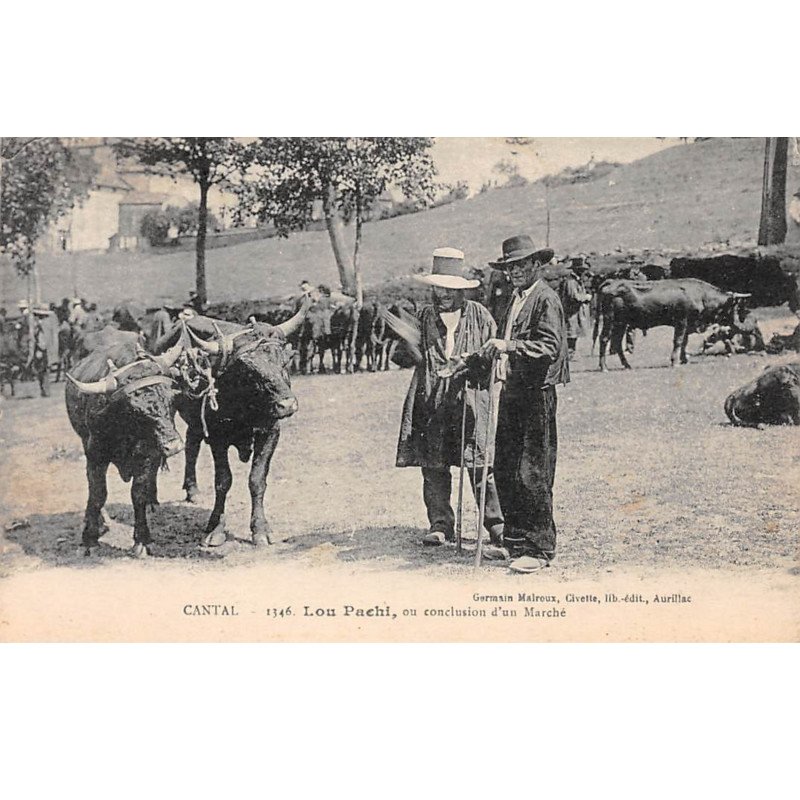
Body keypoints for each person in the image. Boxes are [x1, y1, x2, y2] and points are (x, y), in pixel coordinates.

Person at [396, 247, 504, 548]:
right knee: (434, 465)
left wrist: (472, 365)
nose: (442, 294)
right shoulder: (424, 316)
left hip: (470, 398)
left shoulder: (480, 316)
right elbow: (405, 358)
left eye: (449, 289)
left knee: (479, 463)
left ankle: (496, 525)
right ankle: (440, 524)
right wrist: (405, 342)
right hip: (430, 399)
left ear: (462, 291)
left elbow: (494, 360)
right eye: (438, 288)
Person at [479, 235, 569, 573]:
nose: (514, 271)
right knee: (506, 466)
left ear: (536, 265)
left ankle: (540, 548)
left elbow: (549, 348)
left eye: (520, 265)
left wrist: (508, 346)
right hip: (513, 391)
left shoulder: (546, 299)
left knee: (534, 470)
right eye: (508, 266)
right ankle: (513, 542)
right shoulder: (516, 299)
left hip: (536, 393)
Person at [559, 255, 593, 357]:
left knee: (574, 332)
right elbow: (574, 296)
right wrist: (586, 297)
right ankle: (569, 354)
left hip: (575, 312)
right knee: (571, 333)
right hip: (571, 312)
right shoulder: (571, 281)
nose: (584, 272)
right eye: (582, 270)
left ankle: (570, 353)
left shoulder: (576, 280)